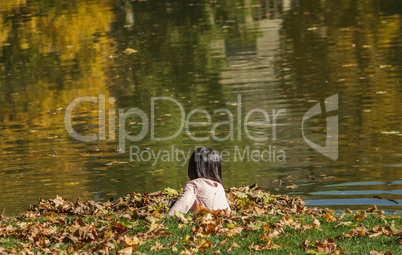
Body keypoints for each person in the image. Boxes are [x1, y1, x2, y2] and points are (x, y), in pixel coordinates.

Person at [167, 147, 231, 215]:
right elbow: (226, 207)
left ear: (193, 168)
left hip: (203, 215)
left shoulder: (194, 184)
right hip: (220, 214)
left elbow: (184, 202)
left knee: (174, 204)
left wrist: (169, 214)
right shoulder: (219, 186)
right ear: (216, 169)